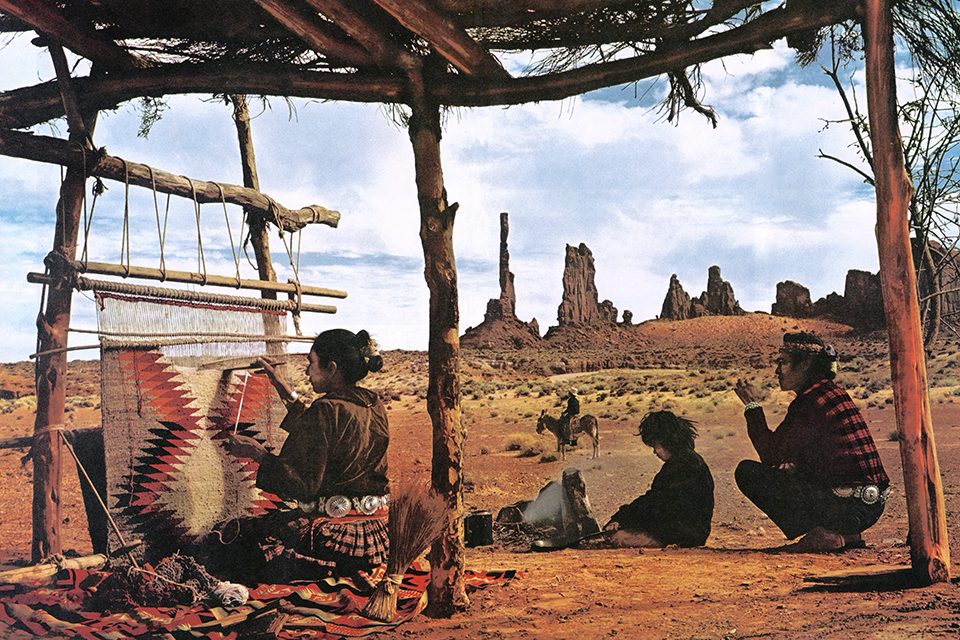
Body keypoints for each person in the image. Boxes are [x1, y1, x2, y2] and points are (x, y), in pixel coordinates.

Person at [208, 328, 389, 583]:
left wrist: (256, 453)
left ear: (332, 368)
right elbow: (322, 429)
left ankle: (323, 568)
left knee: (234, 535)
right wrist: (280, 385)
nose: (307, 372)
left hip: (337, 538)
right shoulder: (372, 402)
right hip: (376, 535)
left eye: (311, 364)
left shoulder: (325, 409)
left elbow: (301, 486)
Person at [734, 332, 890, 552]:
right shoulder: (832, 393)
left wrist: (752, 407)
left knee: (748, 472)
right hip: (870, 505)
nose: (777, 370)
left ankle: (827, 534)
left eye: (783, 362)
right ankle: (846, 536)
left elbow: (769, 453)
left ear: (805, 364)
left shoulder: (809, 402)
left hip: (849, 508)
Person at [603, 411, 714, 548]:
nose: (655, 452)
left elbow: (656, 504)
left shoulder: (682, 464)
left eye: (655, 445)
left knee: (617, 538)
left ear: (664, 440)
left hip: (682, 535)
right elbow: (655, 501)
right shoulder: (686, 460)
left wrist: (622, 520)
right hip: (688, 532)